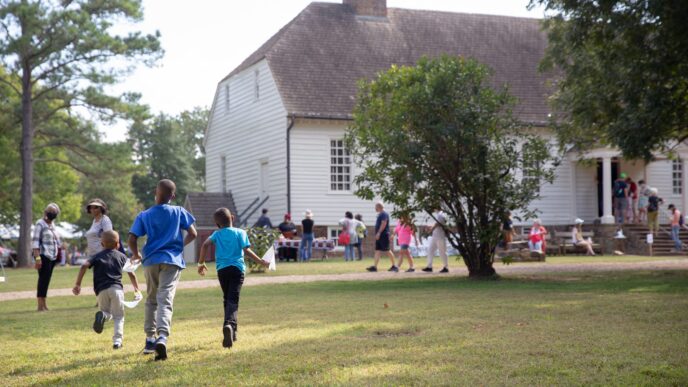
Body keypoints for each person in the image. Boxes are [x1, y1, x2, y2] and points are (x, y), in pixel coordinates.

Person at [128, 179, 197, 361]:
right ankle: (162, 337)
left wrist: (136, 255)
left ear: (155, 192)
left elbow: (132, 238)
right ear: (173, 196)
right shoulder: (179, 211)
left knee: (151, 299)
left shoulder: (144, 215)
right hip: (172, 260)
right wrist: (178, 246)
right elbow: (193, 233)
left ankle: (150, 340)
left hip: (150, 260)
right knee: (165, 298)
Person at [197, 208, 269, 348]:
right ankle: (230, 325)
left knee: (227, 298)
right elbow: (246, 250)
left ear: (217, 224)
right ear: (233, 218)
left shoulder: (216, 234)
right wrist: (260, 261)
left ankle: (231, 331)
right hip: (237, 269)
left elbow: (205, 245)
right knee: (233, 300)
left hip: (222, 270)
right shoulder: (240, 232)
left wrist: (201, 263)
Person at [72, 230, 140, 349]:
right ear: (117, 244)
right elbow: (132, 273)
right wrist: (137, 290)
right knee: (118, 316)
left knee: (107, 312)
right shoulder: (122, 256)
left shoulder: (96, 256)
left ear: (102, 244)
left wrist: (78, 284)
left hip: (101, 290)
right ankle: (117, 342)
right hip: (117, 289)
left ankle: (102, 315)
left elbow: (84, 266)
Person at [32, 203, 62, 312]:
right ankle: (40, 305)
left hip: (52, 257)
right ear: (45, 211)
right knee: (43, 280)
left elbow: (57, 241)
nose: (51, 213)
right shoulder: (40, 224)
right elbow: (35, 242)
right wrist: (37, 258)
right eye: (49, 211)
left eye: (54, 212)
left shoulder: (53, 225)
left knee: (47, 280)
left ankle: (44, 304)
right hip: (43, 255)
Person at [366, 202, 397, 272]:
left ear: (379, 207)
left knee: (387, 250)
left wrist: (379, 233)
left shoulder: (384, 214)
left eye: (375, 207)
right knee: (377, 250)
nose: (375, 209)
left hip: (384, 235)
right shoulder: (380, 214)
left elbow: (384, 223)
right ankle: (375, 267)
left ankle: (394, 266)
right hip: (379, 235)